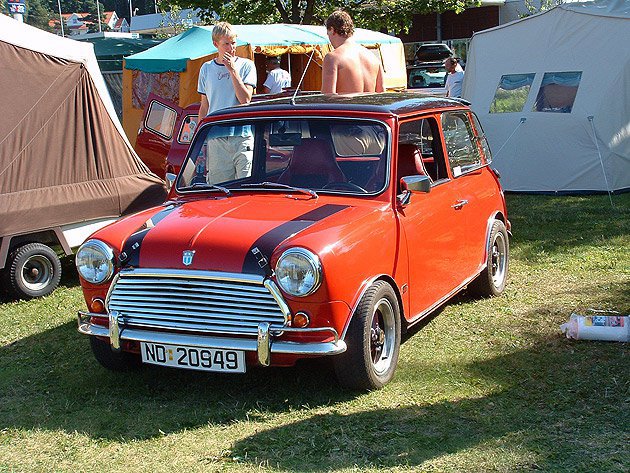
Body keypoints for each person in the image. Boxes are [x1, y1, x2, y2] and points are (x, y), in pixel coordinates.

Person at [197, 22, 257, 183]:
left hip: (242, 135)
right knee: (220, 188)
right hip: (216, 136)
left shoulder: (246, 65)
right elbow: (204, 106)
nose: (231, 48)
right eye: (226, 44)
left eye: (233, 43)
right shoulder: (206, 69)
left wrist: (232, 70)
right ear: (215, 44)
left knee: (245, 186)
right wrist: (199, 138)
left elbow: (245, 100)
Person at [321, 10, 384, 94]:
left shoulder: (333, 58)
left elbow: (327, 97)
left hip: (345, 103)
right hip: (369, 103)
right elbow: (381, 95)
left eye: (328, 33)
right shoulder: (374, 58)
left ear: (332, 30)